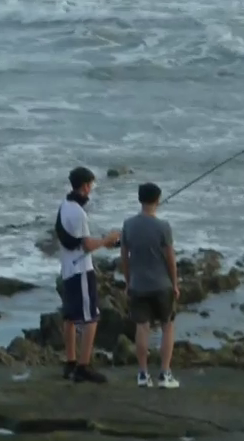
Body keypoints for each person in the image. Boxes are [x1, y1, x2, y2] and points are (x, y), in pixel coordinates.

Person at [55, 166, 121, 383]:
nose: (91, 189)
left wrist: (104, 242)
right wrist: (107, 240)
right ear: (84, 186)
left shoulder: (65, 206)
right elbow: (86, 245)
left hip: (67, 268)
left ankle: (71, 362)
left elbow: (73, 241)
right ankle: (83, 366)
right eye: (90, 185)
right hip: (81, 270)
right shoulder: (78, 212)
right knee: (91, 317)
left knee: (70, 318)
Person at [120, 182, 180, 389]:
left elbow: (124, 258)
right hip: (162, 285)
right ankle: (164, 373)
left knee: (142, 328)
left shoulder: (128, 225)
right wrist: (175, 284)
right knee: (167, 327)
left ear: (140, 199)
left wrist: (128, 283)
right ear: (158, 200)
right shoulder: (163, 227)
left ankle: (143, 374)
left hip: (138, 285)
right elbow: (170, 259)